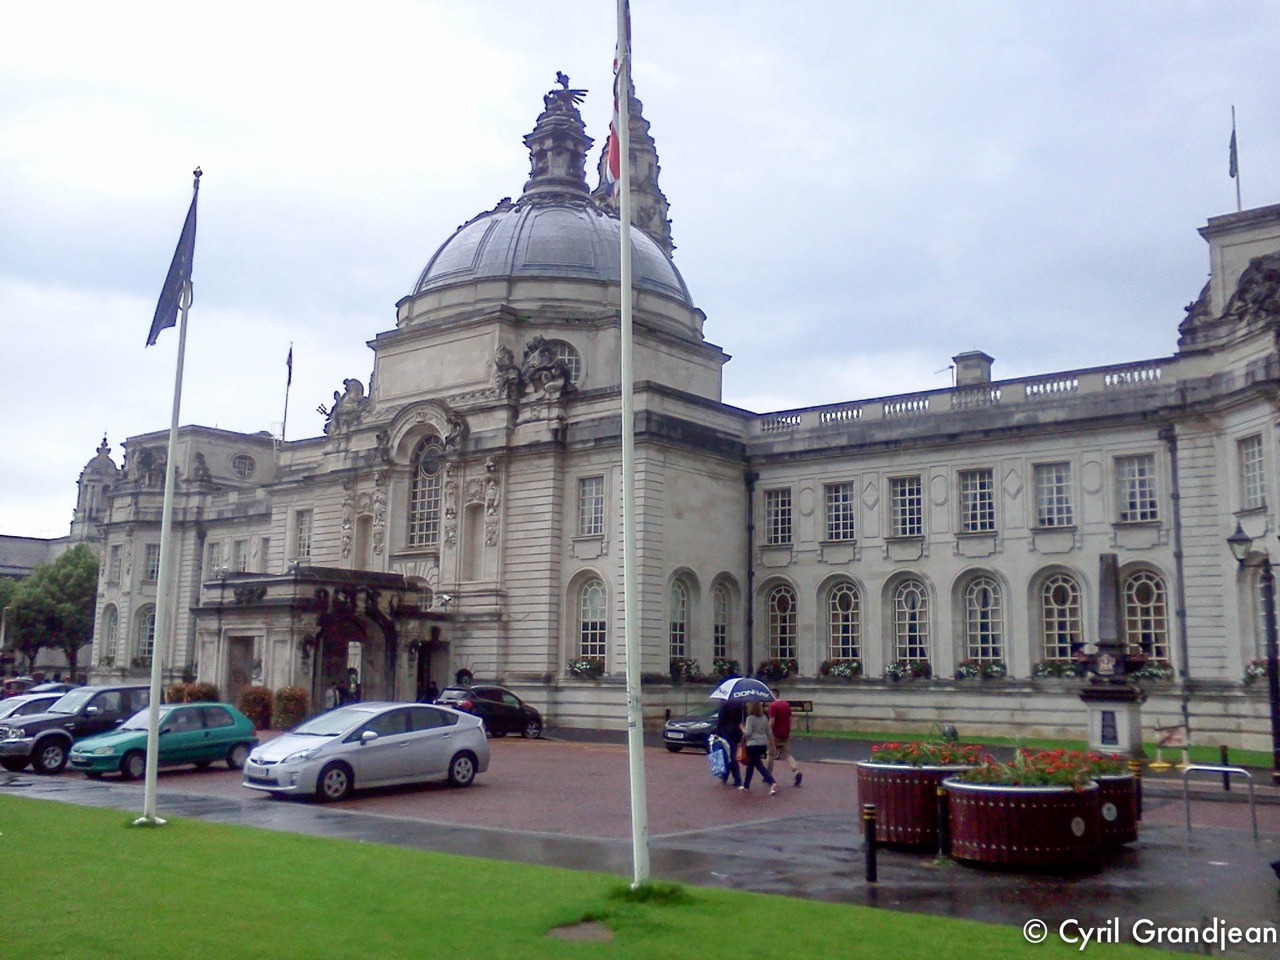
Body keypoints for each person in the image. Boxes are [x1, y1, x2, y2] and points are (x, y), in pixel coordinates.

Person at [739, 700, 777, 795]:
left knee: (759, 765)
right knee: (751, 765)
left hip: (752, 745)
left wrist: (742, 728)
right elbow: (769, 732)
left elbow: (748, 733)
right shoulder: (764, 718)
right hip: (762, 744)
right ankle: (746, 786)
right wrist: (771, 744)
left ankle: (772, 782)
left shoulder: (750, 718)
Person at [767, 688, 803, 787]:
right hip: (785, 733)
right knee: (787, 754)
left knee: (770, 754)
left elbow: (772, 721)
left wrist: (767, 731)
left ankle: (768, 775)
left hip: (775, 734)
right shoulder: (786, 704)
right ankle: (796, 771)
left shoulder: (773, 706)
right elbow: (790, 719)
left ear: (774, 694)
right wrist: (789, 730)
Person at [714, 698, 745, 788]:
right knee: (731, 753)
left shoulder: (725, 703)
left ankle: (736, 779)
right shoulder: (740, 703)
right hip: (736, 731)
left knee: (729, 755)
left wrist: (717, 731)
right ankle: (726, 776)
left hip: (726, 731)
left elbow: (721, 719)